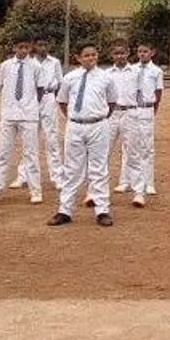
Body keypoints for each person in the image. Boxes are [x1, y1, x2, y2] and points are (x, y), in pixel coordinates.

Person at [47, 43, 118, 228]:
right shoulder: (70, 77)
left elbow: (112, 102)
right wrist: (74, 118)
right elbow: (62, 101)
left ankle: (102, 210)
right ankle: (65, 210)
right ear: (78, 58)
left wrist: (98, 117)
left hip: (98, 124)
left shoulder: (106, 77)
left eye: (94, 55)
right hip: (75, 126)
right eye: (86, 55)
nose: (91, 58)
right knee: (71, 169)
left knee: (99, 168)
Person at [0, 35, 44, 206]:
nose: (23, 50)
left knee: (31, 154)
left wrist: (30, 105)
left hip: (29, 116)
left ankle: (35, 191)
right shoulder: (6, 66)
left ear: (30, 48)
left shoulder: (36, 66)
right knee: (3, 153)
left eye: (26, 47)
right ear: (14, 48)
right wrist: (9, 105)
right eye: (20, 47)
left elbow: (40, 89)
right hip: (9, 115)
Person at [119, 42, 163, 198]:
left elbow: (158, 92)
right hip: (132, 108)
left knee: (146, 146)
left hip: (146, 108)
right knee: (128, 145)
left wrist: (153, 109)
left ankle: (148, 182)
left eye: (145, 51)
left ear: (152, 52)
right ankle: (126, 180)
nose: (142, 54)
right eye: (139, 51)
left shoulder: (156, 71)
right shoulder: (131, 69)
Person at [103, 41, 144, 208]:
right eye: (116, 53)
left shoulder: (136, 72)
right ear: (112, 55)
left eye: (122, 53)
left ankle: (139, 192)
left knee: (133, 152)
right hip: (111, 114)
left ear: (128, 53)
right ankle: (97, 191)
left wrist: (135, 111)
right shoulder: (106, 74)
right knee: (104, 152)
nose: (119, 56)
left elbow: (140, 94)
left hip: (129, 112)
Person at [28, 37, 65, 190]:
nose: (42, 48)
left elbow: (60, 82)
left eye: (45, 44)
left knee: (52, 137)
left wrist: (55, 100)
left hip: (48, 97)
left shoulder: (54, 62)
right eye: (39, 45)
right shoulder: (29, 62)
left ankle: (57, 175)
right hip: (31, 98)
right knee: (30, 137)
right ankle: (24, 174)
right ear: (34, 46)